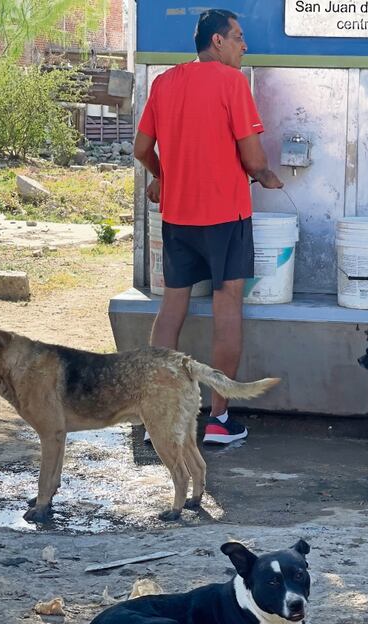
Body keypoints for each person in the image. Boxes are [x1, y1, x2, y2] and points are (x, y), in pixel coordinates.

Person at [133, 9, 283, 445]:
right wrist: (267, 175)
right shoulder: (233, 83)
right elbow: (253, 159)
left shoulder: (164, 82)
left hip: (177, 217)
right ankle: (218, 420)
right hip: (225, 217)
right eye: (238, 37)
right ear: (217, 41)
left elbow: (142, 148)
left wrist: (163, 176)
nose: (244, 45)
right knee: (227, 307)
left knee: (172, 308)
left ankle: (158, 418)